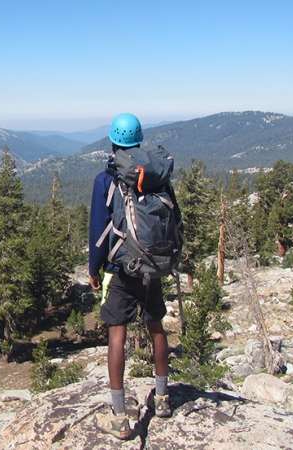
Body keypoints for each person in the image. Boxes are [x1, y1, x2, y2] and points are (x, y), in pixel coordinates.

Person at [89, 113, 172, 440]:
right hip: (152, 265)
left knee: (117, 333)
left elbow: (98, 230)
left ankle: (120, 417)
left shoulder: (105, 180)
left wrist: (94, 269)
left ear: (112, 141)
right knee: (156, 326)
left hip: (122, 268)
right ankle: (163, 399)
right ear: (138, 140)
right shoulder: (156, 174)